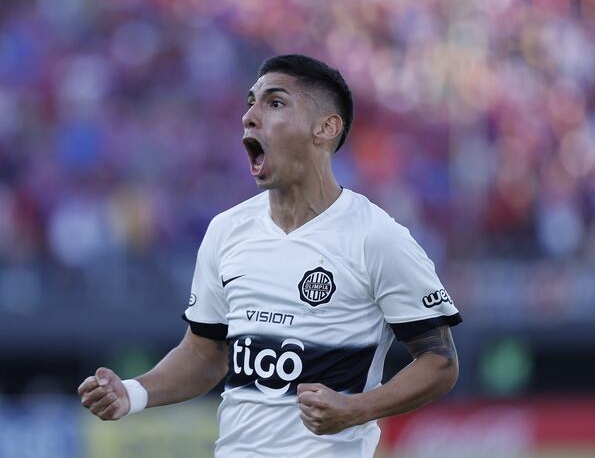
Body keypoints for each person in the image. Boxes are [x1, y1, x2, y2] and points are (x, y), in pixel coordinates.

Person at [77, 54, 462, 458]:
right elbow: (203, 353)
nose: (249, 116)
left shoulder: (376, 237)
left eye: (274, 103)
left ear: (325, 128)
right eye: (250, 102)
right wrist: (133, 393)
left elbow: (439, 360)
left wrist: (355, 409)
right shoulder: (227, 231)